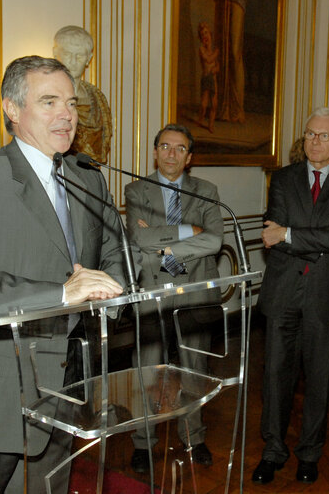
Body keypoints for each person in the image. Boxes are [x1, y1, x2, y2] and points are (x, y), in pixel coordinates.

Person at [0, 55, 126, 494]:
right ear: (12, 110)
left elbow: (116, 252)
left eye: (72, 103)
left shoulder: (88, 177)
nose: (67, 115)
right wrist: (61, 293)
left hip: (68, 374)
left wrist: (110, 290)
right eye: (50, 101)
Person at [253, 107, 329, 485]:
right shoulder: (283, 178)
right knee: (276, 377)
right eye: (310, 134)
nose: (315, 142)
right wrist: (323, 242)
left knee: (319, 379)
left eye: (323, 136)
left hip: (326, 294)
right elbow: (275, 228)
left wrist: (290, 235)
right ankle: (272, 451)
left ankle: (310, 453)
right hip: (284, 290)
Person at [124, 123, 222, 472]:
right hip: (151, 293)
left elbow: (213, 241)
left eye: (179, 148)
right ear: (154, 151)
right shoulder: (136, 189)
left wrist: (162, 243)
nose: (171, 154)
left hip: (194, 294)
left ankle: (194, 438)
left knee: (194, 369)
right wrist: (188, 233)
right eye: (165, 146)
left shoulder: (207, 190)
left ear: (189, 156)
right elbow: (139, 240)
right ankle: (142, 442)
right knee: (146, 369)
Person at [53, 25, 113, 164]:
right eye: (67, 54)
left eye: (79, 56)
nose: (73, 62)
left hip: (90, 174)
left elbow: (103, 142)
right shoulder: (46, 96)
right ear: (56, 53)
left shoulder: (97, 97)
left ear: (89, 58)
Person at [197, 22, 219, 133]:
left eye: (206, 33)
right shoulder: (202, 49)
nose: (205, 36)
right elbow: (209, 60)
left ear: (210, 34)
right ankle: (200, 119)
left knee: (214, 105)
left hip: (213, 80)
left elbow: (217, 65)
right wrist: (213, 51)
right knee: (204, 105)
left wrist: (216, 69)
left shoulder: (215, 49)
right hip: (206, 78)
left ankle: (211, 125)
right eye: (202, 35)